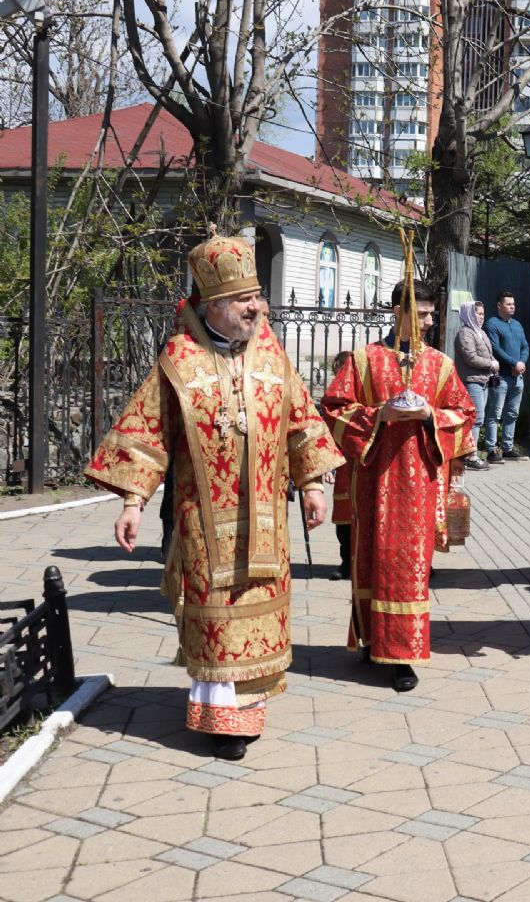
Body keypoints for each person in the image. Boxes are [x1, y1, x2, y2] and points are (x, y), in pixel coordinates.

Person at [86, 235, 344, 760]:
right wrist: (133, 503)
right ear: (214, 305)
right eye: (245, 299)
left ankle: (247, 711)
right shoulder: (179, 360)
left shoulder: (272, 353)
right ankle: (219, 717)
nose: (258, 307)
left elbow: (299, 420)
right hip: (203, 520)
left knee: (257, 608)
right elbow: (149, 432)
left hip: (268, 516)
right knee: (215, 610)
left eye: (258, 297)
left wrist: (314, 484)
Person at [323, 282, 476, 691]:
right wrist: (378, 415)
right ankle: (371, 639)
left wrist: (431, 416)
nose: (429, 321)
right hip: (373, 480)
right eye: (421, 313)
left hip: (419, 485)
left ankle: (402, 657)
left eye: (431, 314)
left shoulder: (440, 365)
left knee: (409, 568)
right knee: (368, 559)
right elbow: (334, 409)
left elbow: (464, 414)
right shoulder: (364, 359)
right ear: (397, 312)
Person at [483, 291, 530, 460]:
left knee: (512, 413)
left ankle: (508, 448)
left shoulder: (517, 325)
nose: (512, 306)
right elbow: (495, 349)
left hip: (517, 377)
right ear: (499, 305)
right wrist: (513, 363)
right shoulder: (492, 324)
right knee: (494, 413)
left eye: (513, 304)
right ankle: (491, 449)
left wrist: (521, 363)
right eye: (509, 304)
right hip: (500, 377)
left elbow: (525, 346)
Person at [454, 301, 500, 471]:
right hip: (471, 381)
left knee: (477, 419)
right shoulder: (465, 333)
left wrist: (492, 362)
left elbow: (488, 352)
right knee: (474, 419)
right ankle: (469, 456)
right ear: (469, 314)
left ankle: (470, 453)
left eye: (482, 314)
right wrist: (491, 364)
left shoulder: (479, 332)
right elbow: (470, 357)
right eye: (477, 314)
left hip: (483, 380)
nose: (481, 317)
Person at [324, 349, 356, 582]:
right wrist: (328, 466)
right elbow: (327, 435)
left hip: (367, 463)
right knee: (344, 519)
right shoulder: (333, 400)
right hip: (344, 466)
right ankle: (346, 563)